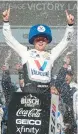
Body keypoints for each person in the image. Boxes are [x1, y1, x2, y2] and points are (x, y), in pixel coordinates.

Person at [2, 8, 74, 94]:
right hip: (28, 96)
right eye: (38, 39)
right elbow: (9, 39)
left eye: (43, 39)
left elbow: (65, 42)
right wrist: (6, 22)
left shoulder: (51, 54)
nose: (41, 41)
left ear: (47, 41)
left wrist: (70, 25)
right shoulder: (26, 52)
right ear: (33, 40)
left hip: (45, 96)